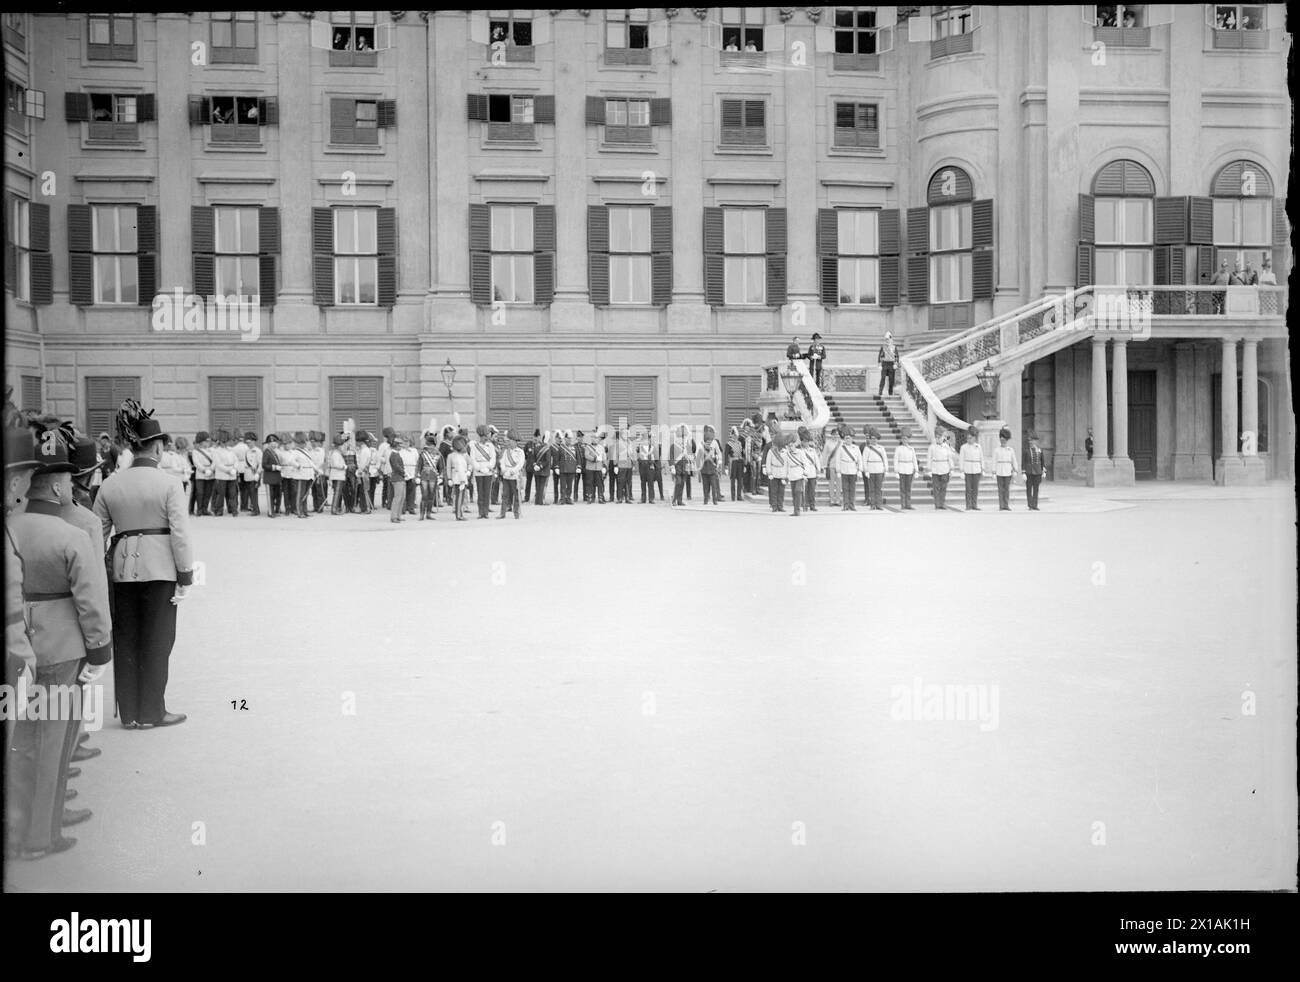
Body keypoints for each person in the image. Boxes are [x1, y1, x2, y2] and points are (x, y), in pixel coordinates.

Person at [8, 422, 113, 860]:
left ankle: (17, 828)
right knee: (55, 744)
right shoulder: (71, 533)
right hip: (63, 648)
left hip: (21, 645)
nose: (73, 486)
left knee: (24, 740)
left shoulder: (13, 527)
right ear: (54, 488)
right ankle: (40, 837)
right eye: (68, 480)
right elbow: (91, 603)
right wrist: (99, 653)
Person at [93, 398, 194, 730]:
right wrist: (185, 574)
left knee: (127, 639)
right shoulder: (168, 483)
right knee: (158, 639)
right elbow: (179, 533)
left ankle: (131, 713)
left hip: (122, 570)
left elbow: (96, 533)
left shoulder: (110, 484)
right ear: (158, 448)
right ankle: (153, 710)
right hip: (160, 569)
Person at [470, 425, 497, 519]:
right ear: (481, 436)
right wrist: (479, 468)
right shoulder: (474, 446)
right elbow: (472, 459)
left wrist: (489, 467)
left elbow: (493, 458)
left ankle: (486, 513)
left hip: (488, 471)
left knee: (487, 492)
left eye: (487, 436)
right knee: (480, 492)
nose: (486, 438)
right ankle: (480, 512)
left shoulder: (490, 446)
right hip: (479, 472)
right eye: (485, 436)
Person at [498, 430, 525, 519]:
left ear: (514, 441)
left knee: (516, 495)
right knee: (505, 495)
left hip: (515, 476)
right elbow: (502, 461)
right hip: (506, 476)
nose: (508, 443)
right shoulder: (506, 451)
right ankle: (502, 513)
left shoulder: (520, 451)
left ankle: (516, 513)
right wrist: (504, 470)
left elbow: (520, 464)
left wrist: (512, 471)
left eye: (510, 441)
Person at [211, 430, 238, 517]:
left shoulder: (231, 450)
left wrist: (234, 468)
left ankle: (233, 509)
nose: (225, 443)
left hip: (232, 474)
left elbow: (236, 460)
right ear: (220, 442)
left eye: (226, 441)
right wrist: (229, 470)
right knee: (220, 494)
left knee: (233, 493)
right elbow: (218, 464)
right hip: (222, 475)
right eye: (223, 442)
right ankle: (219, 510)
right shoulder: (216, 451)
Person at [835, 425, 861, 511]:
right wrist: (838, 471)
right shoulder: (841, 448)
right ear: (844, 439)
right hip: (844, 470)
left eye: (849, 438)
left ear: (852, 439)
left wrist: (860, 470)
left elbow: (859, 459)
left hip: (853, 470)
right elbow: (838, 459)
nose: (848, 440)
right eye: (846, 438)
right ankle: (845, 505)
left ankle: (852, 505)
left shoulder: (856, 448)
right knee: (845, 489)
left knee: (852, 489)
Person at [861, 428, 889, 510]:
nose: (874, 440)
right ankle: (873, 504)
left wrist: (886, 469)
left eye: (875, 439)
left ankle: (879, 504)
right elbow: (864, 460)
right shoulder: (867, 448)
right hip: (871, 470)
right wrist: (865, 470)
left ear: (877, 439)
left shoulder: (881, 448)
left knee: (879, 488)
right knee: (872, 488)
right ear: (870, 439)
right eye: (872, 439)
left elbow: (885, 459)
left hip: (879, 469)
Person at [993, 427, 1019, 511]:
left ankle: (1006, 505)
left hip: (1008, 470)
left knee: (1007, 489)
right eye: (1001, 439)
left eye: (1004, 439)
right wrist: (993, 471)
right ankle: (1001, 505)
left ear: (1007, 440)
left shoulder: (1010, 450)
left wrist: (1015, 470)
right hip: (999, 471)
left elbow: (1014, 460)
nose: (1002, 441)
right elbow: (994, 461)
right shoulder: (996, 450)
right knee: (1000, 489)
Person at [927, 428, 954, 510]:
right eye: (937, 437)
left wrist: (951, 469)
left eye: (940, 437)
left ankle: (942, 503)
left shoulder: (946, 447)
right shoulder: (932, 447)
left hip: (945, 468)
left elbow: (950, 458)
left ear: (943, 437)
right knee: (936, 488)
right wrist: (929, 469)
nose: (938, 439)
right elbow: (929, 459)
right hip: (935, 469)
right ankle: (937, 504)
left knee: (943, 487)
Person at [696, 424, 723, 505]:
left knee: (713, 485)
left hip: (712, 466)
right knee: (705, 486)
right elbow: (698, 456)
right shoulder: (701, 443)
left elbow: (719, 453)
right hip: (704, 467)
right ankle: (706, 499)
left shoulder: (714, 442)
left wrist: (719, 461)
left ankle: (714, 500)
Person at [762, 430, 788, 512]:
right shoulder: (771, 451)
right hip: (773, 472)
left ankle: (780, 506)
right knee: (774, 491)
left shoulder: (785, 451)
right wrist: (769, 472)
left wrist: (786, 475)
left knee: (781, 491)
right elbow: (768, 462)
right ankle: (774, 506)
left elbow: (787, 464)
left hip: (782, 473)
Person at [446, 435, 470, 520]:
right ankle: (459, 515)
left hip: (464, 476)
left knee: (461, 497)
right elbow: (448, 468)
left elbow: (470, 464)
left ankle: (459, 513)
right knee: (458, 496)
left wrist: (469, 471)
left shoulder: (465, 455)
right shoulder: (451, 456)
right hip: (456, 478)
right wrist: (449, 478)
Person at [960, 426, 984, 510]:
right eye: (969, 437)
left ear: (974, 438)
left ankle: (974, 504)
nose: (970, 439)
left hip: (976, 469)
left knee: (975, 488)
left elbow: (981, 458)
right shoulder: (964, 447)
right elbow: (961, 459)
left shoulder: (978, 446)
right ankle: (968, 505)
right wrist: (961, 471)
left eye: (972, 437)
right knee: (968, 488)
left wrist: (982, 468)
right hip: (968, 469)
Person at [894, 429, 918, 510]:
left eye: (906, 439)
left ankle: (908, 504)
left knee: (908, 488)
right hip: (901, 469)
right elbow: (895, 460)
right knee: (902, 488)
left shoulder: (911, 448)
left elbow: (914, 459)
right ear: (901, 439)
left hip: (910, 469)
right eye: (903, 438)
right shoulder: (898, 448)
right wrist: (896, 471)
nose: (905, 440)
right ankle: (903, 504)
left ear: (908, 439)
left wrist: (916, 470)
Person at [821, 424, 842, 507]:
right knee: (831, 484)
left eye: (837, 435)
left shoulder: (841, 444)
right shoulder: (828, 443)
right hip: (831, 465)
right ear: (831, 435)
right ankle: (832, 500)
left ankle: (838, 500)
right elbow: (824, 455)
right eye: (834, 435)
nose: (835, 436)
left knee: (839, 484)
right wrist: (824, 466)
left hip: (840, 466)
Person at [1023, 431, 1045, 511]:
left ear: (1036, 441)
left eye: (1032, 440)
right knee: (1029, 489)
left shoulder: (1040, 450)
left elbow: (1042, 461)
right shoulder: (1026, 451)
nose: (1031, 442)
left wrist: (1043, 471)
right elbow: (1023, 462)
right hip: (1029, 472)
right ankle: (1030, 505)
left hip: (1038, 472)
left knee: (1036, 489)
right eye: (1030, 440)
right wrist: (1023, 472)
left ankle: (1035, 505)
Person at [262, 434, 283, 517]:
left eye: (275, 442)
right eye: (272, 442)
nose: (274, 444)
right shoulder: (266, 452)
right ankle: (271, 512)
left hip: (276, 478)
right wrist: (275, 467)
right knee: (270, 496)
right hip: (269, 478)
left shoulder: (274, 452)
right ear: (268, 444)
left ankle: (274, 510)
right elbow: (264, 465)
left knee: (275, 495)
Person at [557, 431, 580, 505]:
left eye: (570, 438)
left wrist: (578, 466)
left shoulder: (574, 448)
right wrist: (556, 467)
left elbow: (578, 458)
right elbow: (557, 458)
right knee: (563, 485)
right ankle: (562, 499)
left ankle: (568, 498)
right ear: (565, 439)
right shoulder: (561, 447)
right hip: (563, 469)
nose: (569, 440)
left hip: (571, 469)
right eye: (568, 438)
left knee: (570, 485)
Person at [241, 432, 261, 516]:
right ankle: (253, 508)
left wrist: (258, 473)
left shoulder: (258, 451)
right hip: (248, 474)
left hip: (254, 474)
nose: (248, 444)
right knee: (250, 493)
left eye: (250, 442)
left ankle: (256, 510)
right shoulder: (247, 451)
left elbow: (260, 464)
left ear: (254, 441)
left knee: (253, 493)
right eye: (247, 442)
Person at [724, 426, 746, 502]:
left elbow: (742, 453)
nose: (735, 436)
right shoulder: (728, 444)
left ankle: (739, 496)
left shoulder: (739, 443)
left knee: (740, 480)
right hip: (733, 462)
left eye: (736, 435)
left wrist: (744, 463)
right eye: (734, 435)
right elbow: (726, 455)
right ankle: (733, 496)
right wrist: (726, 466)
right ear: (732, 435)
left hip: (740, 462)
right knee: (733, 480)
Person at [328, 436, 348, 514]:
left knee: (337, 493)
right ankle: (334, 509)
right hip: (337, 475)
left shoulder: (337, 453)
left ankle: (335, 508)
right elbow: (336, 464)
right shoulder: (336, 454)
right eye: (342, 445)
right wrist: (344, 466)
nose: (343, 447)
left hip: (338, 475)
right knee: (337, 493)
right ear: (339, 446)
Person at [878, 332, 899, 396]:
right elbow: (880, 356)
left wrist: (896, 364)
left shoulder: (894, 347)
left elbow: (897, 356)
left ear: (891, 339)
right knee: (883, 378)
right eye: (886, 339)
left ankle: (890, 392)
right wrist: (880, 365)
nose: (887, 341)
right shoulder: (883, 347)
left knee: (891, 379)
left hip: (891, 364)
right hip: (884, 364)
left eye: (888, 339)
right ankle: (880, 392)